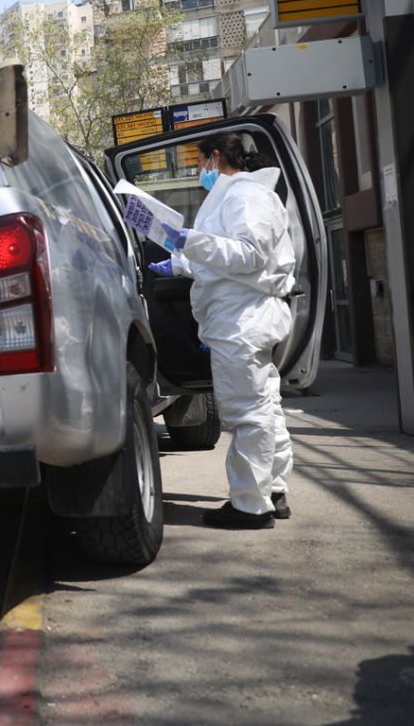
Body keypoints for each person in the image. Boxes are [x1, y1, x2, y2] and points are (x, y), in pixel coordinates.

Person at [150, 132, 296, 530]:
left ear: (215, 158)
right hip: (242, 316)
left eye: (199, 163)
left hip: (242, 322)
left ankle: (252, 506)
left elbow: (249, 255)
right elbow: (224, 258)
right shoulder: (237, 196)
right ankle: (274, 492)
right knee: (265, 407)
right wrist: (181, 262)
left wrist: (189, 241)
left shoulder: (243, 195)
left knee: (248, 414)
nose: (199, 171)